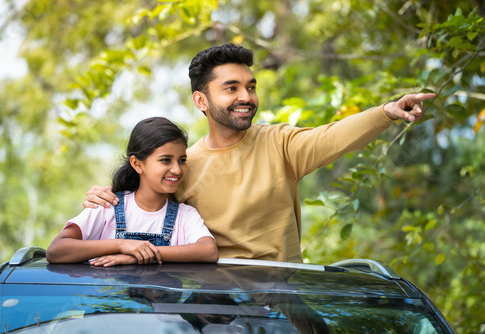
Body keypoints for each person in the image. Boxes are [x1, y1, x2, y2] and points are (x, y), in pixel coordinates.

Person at [83, 43, 436, 263]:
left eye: (251, 87)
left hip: (284, 296)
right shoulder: (184, 165)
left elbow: (334, 135)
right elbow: (145, 202)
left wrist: (386, 111)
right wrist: (107, 196)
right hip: (213, 303)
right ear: (201, 101)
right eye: (231, 88)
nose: (246, 97)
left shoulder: (280, 144)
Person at [47, 117, 218, 267]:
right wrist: (121, 245)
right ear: (137, 164)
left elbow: (208, 251)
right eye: (165, 160)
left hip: (163, 305)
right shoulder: (107, 206)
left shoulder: (185, 215)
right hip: (109, 304)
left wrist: (138, 256)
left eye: (182, 160)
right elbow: (56, 251)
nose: (177, 169)